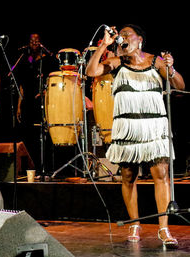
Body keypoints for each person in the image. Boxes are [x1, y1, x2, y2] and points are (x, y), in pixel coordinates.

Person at [86, 24, 185, 248]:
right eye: (120, 35)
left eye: (126, 34)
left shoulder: (155, 61)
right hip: (128, 126)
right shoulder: (116, 62)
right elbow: (91, 72)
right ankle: (135, 223)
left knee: (161, 174)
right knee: (129, 176)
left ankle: (163, 228)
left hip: (153, 126)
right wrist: (104, 45)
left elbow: (179, 85)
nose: (122, 37)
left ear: (139, 40)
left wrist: (171, 68)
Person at [14, 33, 56, 171]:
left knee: (43, 135)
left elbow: (53, 80)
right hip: (27, 102)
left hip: (43, 101)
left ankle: (46, 168)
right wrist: (19, 106)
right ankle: (33, 168)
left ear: (41, 43)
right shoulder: (25, 60)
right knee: (28, 135)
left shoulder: (48, 60)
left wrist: (46, 91)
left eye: (37, 40)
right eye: (31, 40)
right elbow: (21, 86)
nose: (34, 42)